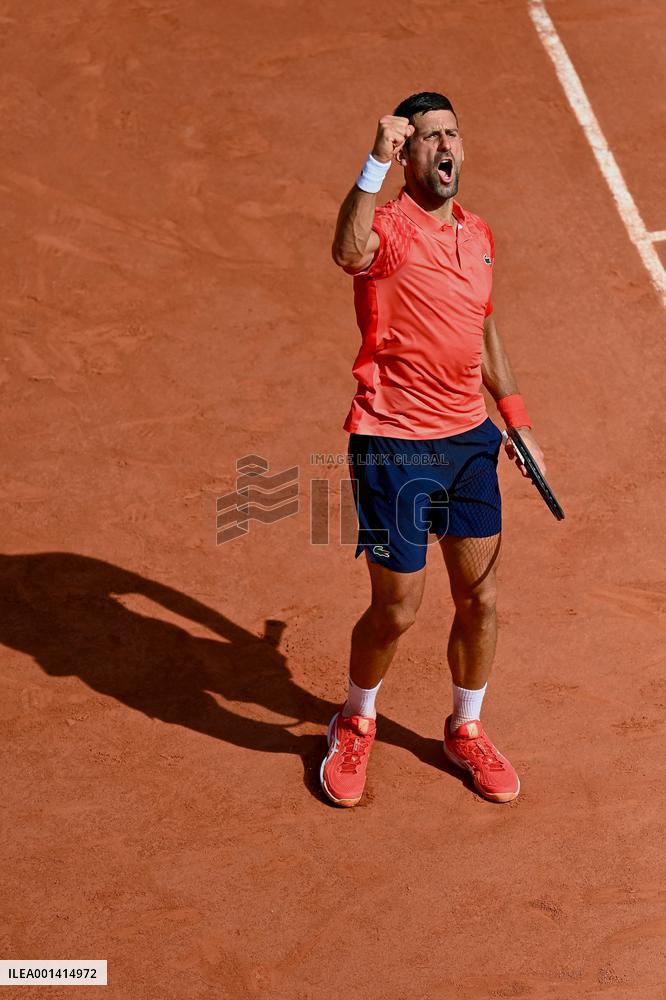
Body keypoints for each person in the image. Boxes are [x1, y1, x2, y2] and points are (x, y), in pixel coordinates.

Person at [320, 91, 546, 807]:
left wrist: (515, 417)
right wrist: (371, 163)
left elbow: (482, 325)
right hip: (394, 443)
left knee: (480, 596)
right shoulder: (387, 228)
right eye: (428, 138)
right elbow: (345, 250)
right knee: (396, 610)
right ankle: (355, 718)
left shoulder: (477, 233)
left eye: (453, 133)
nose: (445, 146)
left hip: (468, 441)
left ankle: (466, 728)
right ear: (409, 154)